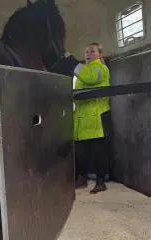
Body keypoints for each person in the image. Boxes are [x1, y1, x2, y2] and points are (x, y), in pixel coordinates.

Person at [71, 43, 111, 194]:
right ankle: (82, 179)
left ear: (100, 55)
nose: (87, 54)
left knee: (98, 152)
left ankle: (101, 182)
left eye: (92, 51)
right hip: (82, 118)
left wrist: (72, 63)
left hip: (97, 119)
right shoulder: (83, 70)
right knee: (81, 152)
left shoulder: (101, 68)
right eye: (86, 52)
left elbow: (91, 78)